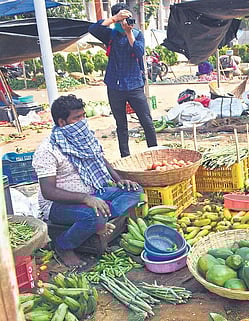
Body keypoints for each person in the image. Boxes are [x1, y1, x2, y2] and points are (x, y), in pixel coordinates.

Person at [32, 95, 143, 267]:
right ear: (62, 122)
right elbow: (48, 192)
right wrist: (85, 199)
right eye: (77, 118)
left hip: (93, 192)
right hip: (58, 205)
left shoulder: (85, 138)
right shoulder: (48, 150)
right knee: (93, 216)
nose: (82, 121)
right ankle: (63, 246)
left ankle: (100, 219)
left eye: (83, 115)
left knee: (134, 191)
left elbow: (99, 158)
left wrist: (119, 180)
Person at [89, 3, 157, 158]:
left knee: (146, 121)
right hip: (114, 84)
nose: (124, 22)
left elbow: (139, 52)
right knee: (121, 125)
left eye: (126, 18)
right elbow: (93, 29)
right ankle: (125, 157)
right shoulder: (110, 35)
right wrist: (113, 19)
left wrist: (129, 33)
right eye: (121, 19)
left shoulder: (137, 34)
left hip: (134, 84)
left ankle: (154, 152)